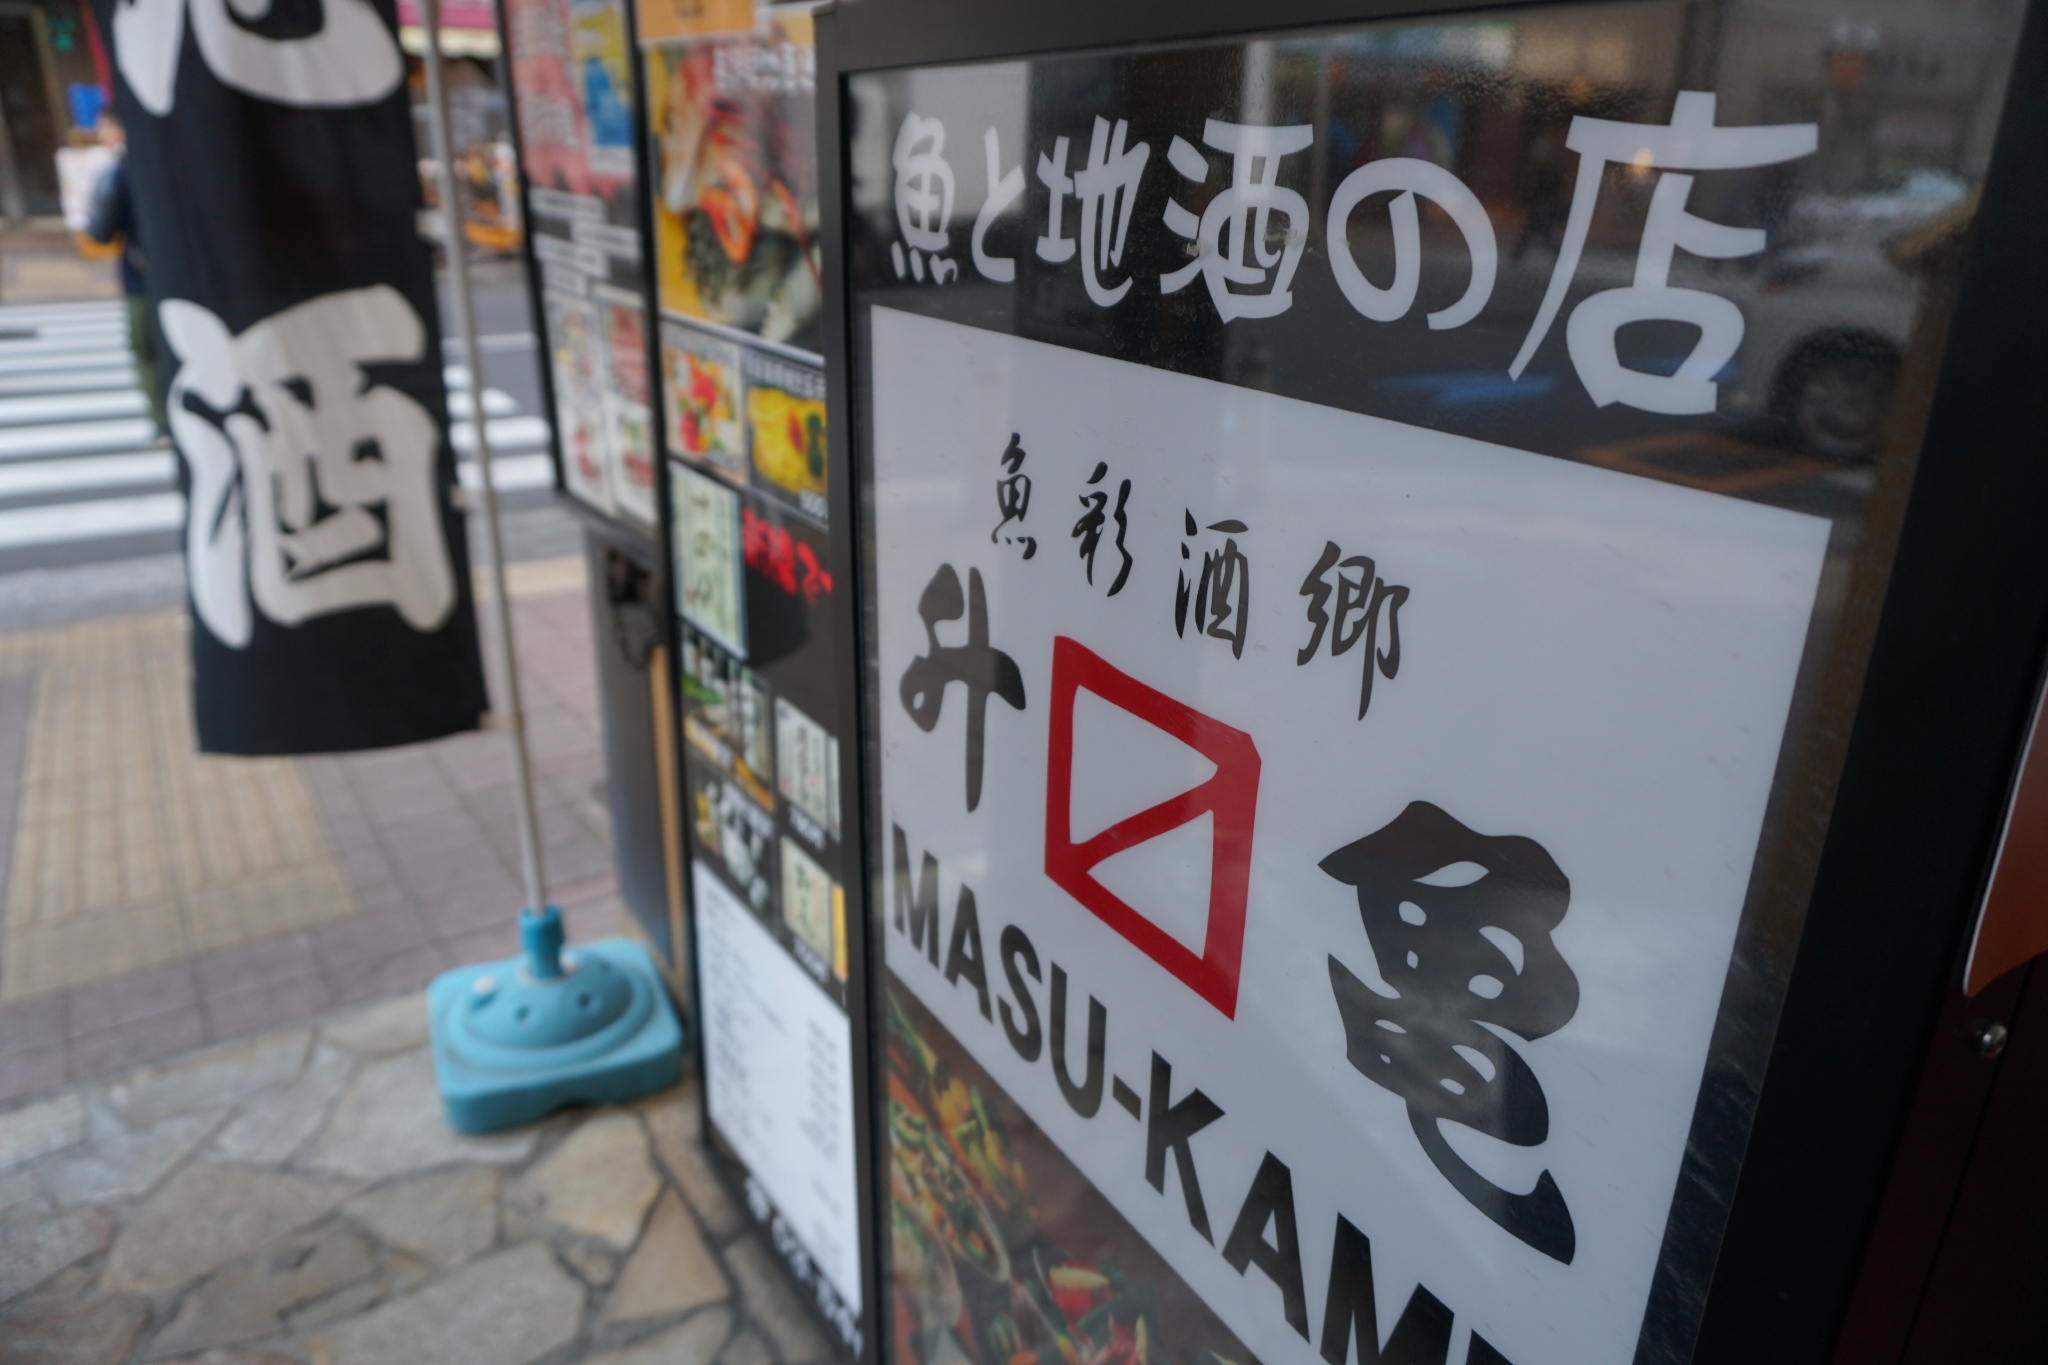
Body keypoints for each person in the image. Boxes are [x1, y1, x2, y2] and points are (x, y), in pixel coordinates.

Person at [85, 112, 165, 435]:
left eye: (104, 128)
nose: (100, 135)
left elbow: (101, 231)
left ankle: (163, 420)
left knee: (145, 349)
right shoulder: (168, 163)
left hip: (140, 274)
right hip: (184, 275)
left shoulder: (119, 172)